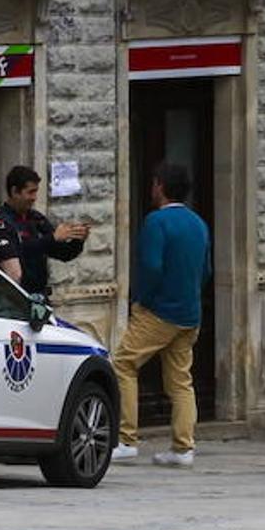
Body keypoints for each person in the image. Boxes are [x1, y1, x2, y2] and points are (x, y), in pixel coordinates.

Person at [110, 164, 211, 468]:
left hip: (158, 311)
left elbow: (151, 266)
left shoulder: (156, 222)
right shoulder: (198, 223)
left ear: (160, 186)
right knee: (181, 380)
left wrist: (142, 300)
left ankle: (126, 439)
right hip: (189, 313)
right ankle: (183, 448)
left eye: (154, 184)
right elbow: (206, 271)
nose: (152, 189)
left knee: (123, 365)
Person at [0, 165, 88, 298]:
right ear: (14, 191)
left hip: (38, 297)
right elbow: (17, 252)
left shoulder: (37, 219)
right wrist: (52, 238)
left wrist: (78, 239)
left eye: (36, 192)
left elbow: (63, 253)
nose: (34, 197)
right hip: (12, 298)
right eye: (30, 192)